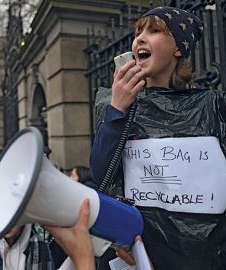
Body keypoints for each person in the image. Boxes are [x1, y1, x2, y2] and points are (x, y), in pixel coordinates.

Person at [90, 6, 226, 269]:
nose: (139, 38)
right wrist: (117, 110)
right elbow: (101, 174)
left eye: (153, 31)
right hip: (137, 253)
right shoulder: (116, 106)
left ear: (178, 48)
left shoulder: (212, 106)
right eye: (137, 32)